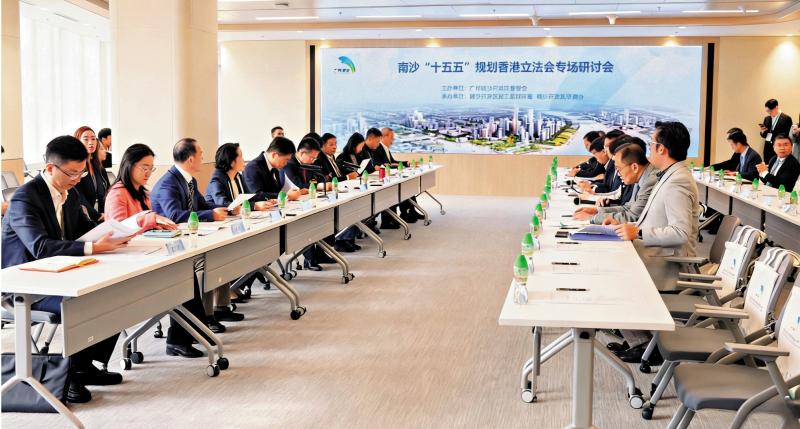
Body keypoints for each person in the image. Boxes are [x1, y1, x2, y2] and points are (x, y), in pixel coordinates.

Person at [2, 135, 129, 403]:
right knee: (85, 303)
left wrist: (116, 233)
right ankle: (70, 375)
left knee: (116, 295)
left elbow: (83, 229)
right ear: (50, 168)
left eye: (81, 172)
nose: (77, 179)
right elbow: (40, 247)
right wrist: (94, 247)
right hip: (26, 286)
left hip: (62, 275)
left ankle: (83, 367)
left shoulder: (70, 193)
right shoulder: (25, 197)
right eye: (72, 173)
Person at [609, 121, 700, 362]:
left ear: (662, 148)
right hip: (656, 253)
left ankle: (644, 344)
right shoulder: (670, 175)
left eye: (651, 144)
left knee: (614, 276)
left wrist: (638, 233)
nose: (649, 149)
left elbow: (680, 232)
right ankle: (639, 340)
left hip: (668, 263)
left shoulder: (678, 181)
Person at [151, 138, 234, 350]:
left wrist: (226, 210)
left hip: (190, 241)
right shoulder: (168, 183)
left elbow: (203, 205)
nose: (203, 158)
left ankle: (199, 326)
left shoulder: (189, 180)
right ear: (190, 159)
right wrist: (210, 215)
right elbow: (175, 215)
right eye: (200, 154)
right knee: (189, 280)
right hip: (169, 247)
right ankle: (190, 331)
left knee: (212, 263)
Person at [573, 144, 658, 224]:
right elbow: (628, 207)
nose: (618, 174)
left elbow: (633, 216)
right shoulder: (640, 177)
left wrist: (592, 218)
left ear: (634, 167)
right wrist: (597, 211)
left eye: (619, 169)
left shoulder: (650, 180)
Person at [105, 143, 176, 231]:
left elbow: (145, 227)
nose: (148, 173)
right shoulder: (117, 193)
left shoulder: (144, 193)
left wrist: (160, 226)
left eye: (151, 169)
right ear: (129, 165)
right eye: (144, 168)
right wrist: (151, 219)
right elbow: (118, 229)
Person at [382, 127, 424, 223]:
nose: (393, 141)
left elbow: (393, 162)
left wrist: (407, 163)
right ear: (384, 137)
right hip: (386, 178)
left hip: (391, 176)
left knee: (407, 186)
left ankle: (411, 212)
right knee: (404, 187)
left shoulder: (385, 149)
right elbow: (384, 164)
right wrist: (395, 165)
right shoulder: (378, 148)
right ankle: (407, 213)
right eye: (391, 138)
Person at [244, 136, 303, 202]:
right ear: (274, 155)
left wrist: (291, 192)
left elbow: (276, 191)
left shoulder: (274, 166)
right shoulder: (252, 167)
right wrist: (286, 196)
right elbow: (257, 195)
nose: (286, 163)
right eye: (286, 160)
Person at [73, 126, 110, 221]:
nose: (91, 143)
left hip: (103, 216)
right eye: (86, 139)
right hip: (85, 218)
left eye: (93, 139)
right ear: (77, 141)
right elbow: (79, 197)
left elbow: (108, 192)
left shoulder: (99, 167)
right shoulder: (75, 168)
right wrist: (97, 216)